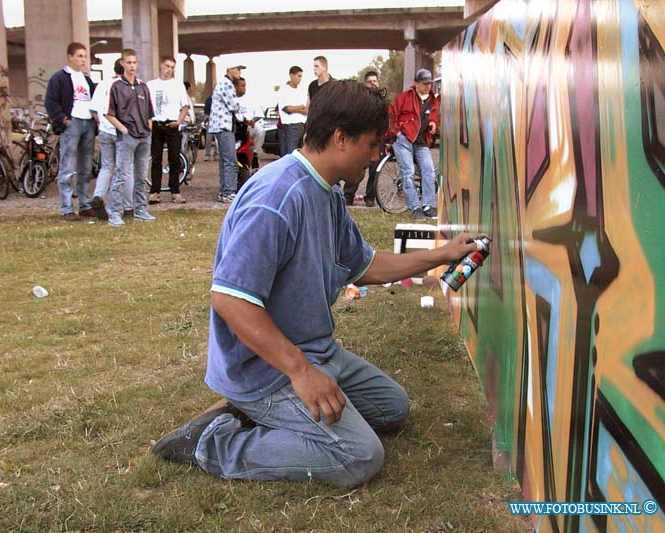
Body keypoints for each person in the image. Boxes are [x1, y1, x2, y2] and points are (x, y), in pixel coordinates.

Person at [151, 80, 488, 487]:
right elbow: (230, 300)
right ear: (341, 139)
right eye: (371, 144)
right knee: (358, 456)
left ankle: (259, 413)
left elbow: (364, 266)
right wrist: (300, 372)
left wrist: (441, 255)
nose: (376, 155)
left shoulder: (326, 192)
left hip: (315, 353)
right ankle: (212, 441)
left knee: (392, 407)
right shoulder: (275, 199)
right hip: (265, 371)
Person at [44, 42, 97, 221]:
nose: (83, 60)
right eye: (79, 56)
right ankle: (67, 207)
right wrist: (63, 119)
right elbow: (51, 101)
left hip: (88, 123)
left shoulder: (87, 79)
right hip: (71, 123)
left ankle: (85, 204)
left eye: (84, 56)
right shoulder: (60, 77)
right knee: (67, 167)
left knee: (85, 167)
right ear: (70, 57)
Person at [105, 49, 156, 226]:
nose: (132, 66)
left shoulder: (143, 86)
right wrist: (123, 129)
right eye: (129, 62)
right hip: (127, 136)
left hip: (144, 136)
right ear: (122, 63)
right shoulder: (117, 87)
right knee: (121, 174)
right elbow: (109, 113)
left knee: (141, 175)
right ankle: (114, 212)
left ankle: (140, 209)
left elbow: (150, 112)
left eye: (134, 62)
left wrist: (148, 127)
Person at [389, 68, 440, 220]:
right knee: (408, 172)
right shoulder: (403, 98)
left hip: (421, 141)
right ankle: (415, 208)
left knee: (429, 169)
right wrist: (397, 133)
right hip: (404, 139)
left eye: (429, 84)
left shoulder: (433, 100)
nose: (428, 86)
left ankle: (428, 205)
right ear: (416, 83)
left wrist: (433, 123)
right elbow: (391, 115)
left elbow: (434, 117)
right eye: (424, 84)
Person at [90, 60, 132, 219]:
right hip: (123, 130)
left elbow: (94, 109)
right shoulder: (127, 85)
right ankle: (129, 206)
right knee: (127, 168)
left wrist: (101, 122)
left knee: (107, 166)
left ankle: (98, 195)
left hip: (105, 129)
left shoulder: (103, 84)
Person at [147, 56, 189, 205]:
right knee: (156, 159)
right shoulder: (151, 85)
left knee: (174, 159)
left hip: (172, 124)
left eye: (172, 67)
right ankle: (154, 191)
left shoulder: (178, 85)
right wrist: (150, 123)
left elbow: (185, 106)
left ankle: (175, 191)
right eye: (167, 66)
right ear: (160, 65)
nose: (169, 70)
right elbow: (147, 106)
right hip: (157, 124)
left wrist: (178, 121)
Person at [343, 70, 385, 207]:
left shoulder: (383, 101)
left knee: (375, 169)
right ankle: (348, 196)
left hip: (377, 139)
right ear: (364, 83)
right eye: (369, 81)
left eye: (375, 81)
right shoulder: (359, 100)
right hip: (360, 138)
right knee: (356, 166)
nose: (373, 84)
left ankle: (370, 197)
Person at [209, 64, 245, 204]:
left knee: (224, 161)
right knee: (230, 161)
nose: (239, 72)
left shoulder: (221, 83)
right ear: (229, 69)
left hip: (219, 126)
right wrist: (243, 108)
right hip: (224, 126)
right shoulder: (227, 84)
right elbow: (233, 106)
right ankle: (229, 192)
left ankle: (224, 191)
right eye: (237, 69)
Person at [276, 66, 307, 156]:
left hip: (302, 125)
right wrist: (299, 108)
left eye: (301, 76)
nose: (300, 79)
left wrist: (298, 109)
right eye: (298, 76)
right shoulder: (284, 90)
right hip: (290, 127)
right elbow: (287, 109)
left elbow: (306, 109)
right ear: (291, 75)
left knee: (301, 155)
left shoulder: (301, 91)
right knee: (290, 154)